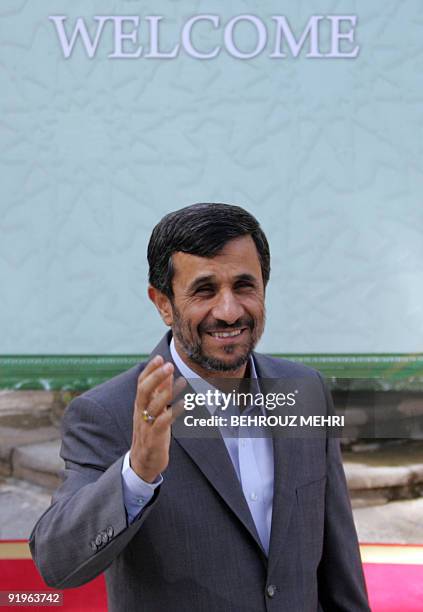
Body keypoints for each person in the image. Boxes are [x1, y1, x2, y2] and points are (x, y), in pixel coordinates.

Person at [30, 203, 370, 611]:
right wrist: (137, 474)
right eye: (204, 290)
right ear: (163, 303)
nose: (229, 311)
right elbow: (56, 562)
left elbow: (338, 564)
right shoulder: (109, 413)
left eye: (245, 285)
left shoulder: (306, 391)